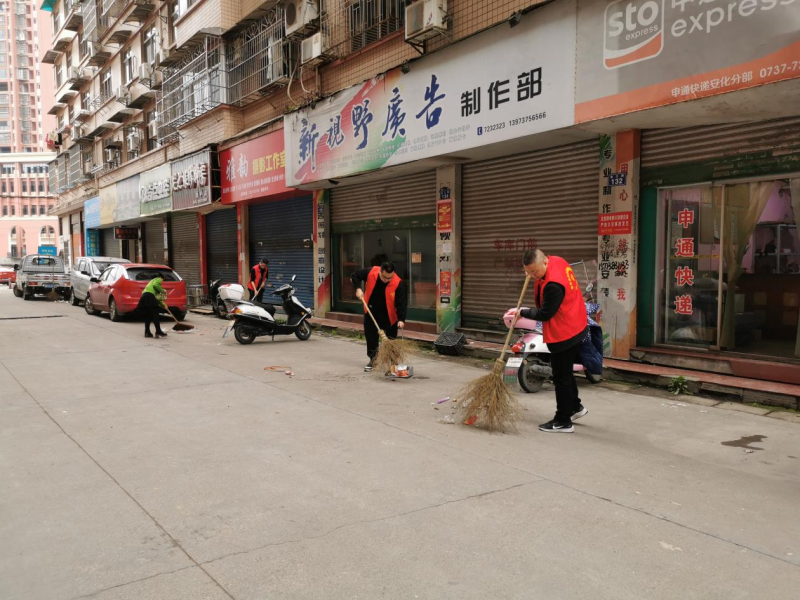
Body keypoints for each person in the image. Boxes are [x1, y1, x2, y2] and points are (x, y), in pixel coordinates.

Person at [518, 249, 588, 433]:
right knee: (565, 373)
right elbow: (539, 276)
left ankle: (563, 421)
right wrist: (534, 273)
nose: (532, 275)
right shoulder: (557, 260)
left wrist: (522, 312)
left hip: (565, 332)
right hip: (576, 322)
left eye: (534, 271)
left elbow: (545, 313)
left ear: (545, 263)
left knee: (560, 377)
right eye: (528, 272)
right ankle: (575, 407)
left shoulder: (553, 285)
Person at [351, 261, 408, 371]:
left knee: (391, 339)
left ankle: (393, 362)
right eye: (385, 277)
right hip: (371, 311)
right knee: (371, 337)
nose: (387, 280)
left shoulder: (398, 282)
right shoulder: (371, 272)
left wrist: (401, 319)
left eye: (390, 277)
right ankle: (374, 360)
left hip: (389, 314)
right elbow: (355, 275)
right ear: (380, 272)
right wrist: (357, 288)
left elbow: (401, 303)